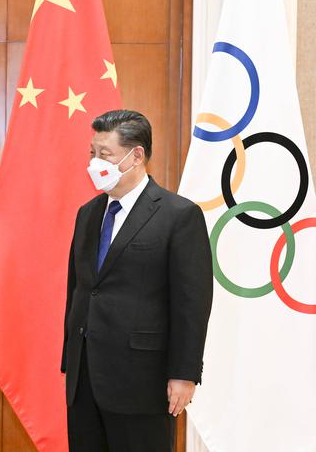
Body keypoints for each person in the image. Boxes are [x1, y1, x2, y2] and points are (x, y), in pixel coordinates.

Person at [62, 110, 213, 452]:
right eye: (92, 153)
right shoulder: (88, 213)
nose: (94, 163)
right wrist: (69, 359)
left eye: (105, 154)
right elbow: (81, 288)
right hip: (84, 377)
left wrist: (184, 373)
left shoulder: (179, 215)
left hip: (143, 381)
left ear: (136, 156)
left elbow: (193, 302)